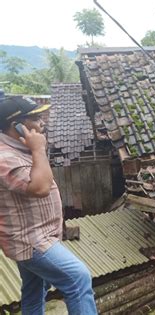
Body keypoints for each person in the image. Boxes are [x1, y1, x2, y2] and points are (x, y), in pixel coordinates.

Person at [0, 96, 97, 314]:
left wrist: (34, 150)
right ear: (16, 125)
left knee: (35, 289)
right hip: (31, 240)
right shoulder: (4, 156)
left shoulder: (18, 150)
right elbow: (40, 187)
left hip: (38, 236)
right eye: (35, 117)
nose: (42, 121)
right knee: (78, 279)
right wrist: (38, 149)